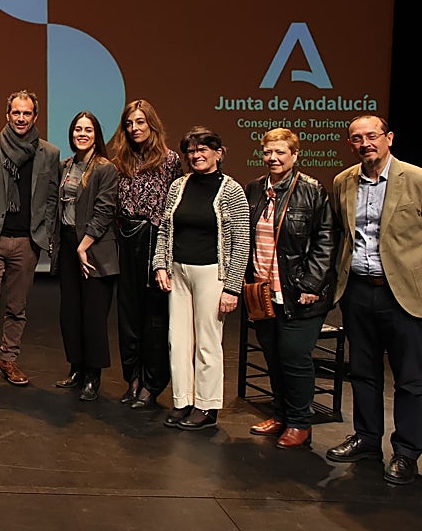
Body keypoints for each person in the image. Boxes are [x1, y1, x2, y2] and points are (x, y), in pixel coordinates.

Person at [325, 115, 422, 486]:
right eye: (357, 138)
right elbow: (341, 236)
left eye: (372, 136)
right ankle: (367, 438)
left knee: (410, 378)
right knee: (363, 371)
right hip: (359, 290)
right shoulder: (343, 181)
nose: (365, 143)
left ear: (389, 138)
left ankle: (407, 451)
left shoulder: (414, 178)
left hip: (404, 294)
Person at [243, 128, 336, 449]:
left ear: (295, 156)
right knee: (273, 355)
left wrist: (312, 283)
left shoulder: (312, 190)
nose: (273, 158)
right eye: (268, 152)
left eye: (280, 152)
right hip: (264, 291)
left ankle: (300, 422)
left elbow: (326, 241)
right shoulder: (255, 189)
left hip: (300, 293)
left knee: (295, 357)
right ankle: (281, 414)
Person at [153, 127, 250, 431]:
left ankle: (206, 407)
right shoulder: (179, 186)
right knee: (177, 340)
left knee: (208, 342)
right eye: (191, 151)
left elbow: (242, 240)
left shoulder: (231, 190)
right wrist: (160, 264)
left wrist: (233, 287)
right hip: (178, 271)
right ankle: (183, 400)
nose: (196, 156)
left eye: (202, 150)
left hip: (213, 273)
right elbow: (165, 228)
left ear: (218, 153)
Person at [0, 90, 60, 392]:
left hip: (26, 242)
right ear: (7, 114)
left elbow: (51, 197)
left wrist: (43, 234)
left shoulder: (49, 152)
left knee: (17, 307)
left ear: (35, 116)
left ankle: (9, 359)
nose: (21, 118)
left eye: (27, 113)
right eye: (16, 113)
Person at [106, 99, 182, 408]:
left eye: (141, 122)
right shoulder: (120, 161)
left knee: (155, 318)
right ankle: (132, 379)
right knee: (128, 316)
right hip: (127, 239)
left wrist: (164, 255)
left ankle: (152, 382)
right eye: (129, 123)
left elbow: (174, 210)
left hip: (156, 240)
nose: (135, 128)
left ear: (152, 124)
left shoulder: (170, 160)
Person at [53, 111, 119, 402]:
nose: (82, 134)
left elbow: (105, 210)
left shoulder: (106, 169)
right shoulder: (65, 166)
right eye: (77, 129)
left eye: (88, 130)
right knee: (70, 313)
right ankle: (76, 368)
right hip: (68, 246)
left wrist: (84, 245)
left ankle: (93, 375)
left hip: (94, 249)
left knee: (93, 316)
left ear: (97, 135)